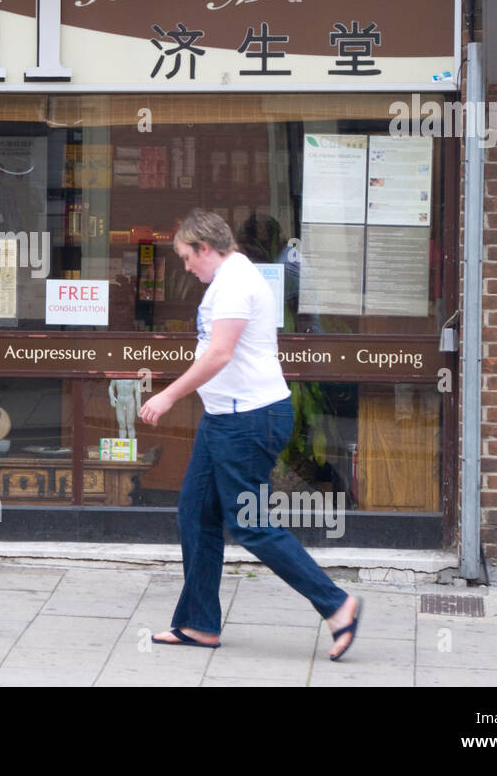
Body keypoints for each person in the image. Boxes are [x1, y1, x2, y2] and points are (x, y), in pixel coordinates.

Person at [138, 209, 361, 660]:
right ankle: (199, 624)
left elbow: (220, 354)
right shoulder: (231, 279)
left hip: (247, 421)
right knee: (195, 514)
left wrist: (167, 397)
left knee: (250, 522)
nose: (185, 267)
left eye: (186, 257)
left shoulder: (236, 284)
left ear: (205, 248)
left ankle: (337, 605)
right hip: (226, 418)